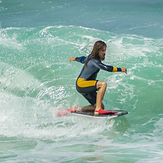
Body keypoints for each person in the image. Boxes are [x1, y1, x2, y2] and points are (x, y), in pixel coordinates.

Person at [68, 40, 127, 115]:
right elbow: (105, 68)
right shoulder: (93, 60)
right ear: (97, 51)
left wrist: (75, 58)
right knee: (102, 84)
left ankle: (77, 109)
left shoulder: (90, 58)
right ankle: (98, 109)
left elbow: (82, 59)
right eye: (102, 50)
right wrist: (120, 69)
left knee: (101, 106)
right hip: (82, 84)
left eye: (105, 50)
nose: (104, 52)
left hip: (83, 86)